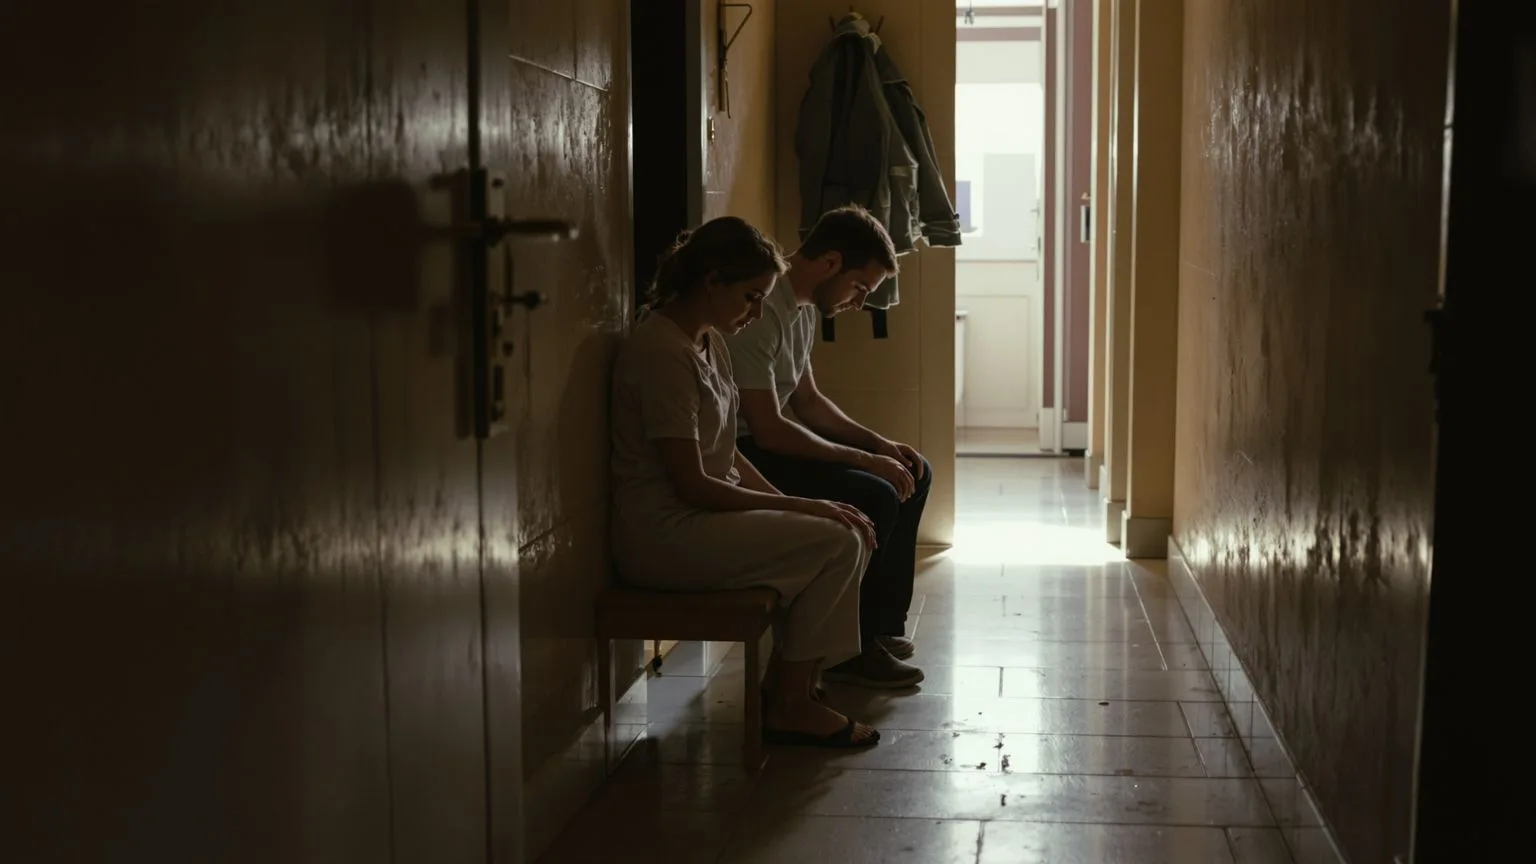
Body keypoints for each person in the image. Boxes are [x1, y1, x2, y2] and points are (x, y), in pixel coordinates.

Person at [610, 216, 882, 748]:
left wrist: (793, 503)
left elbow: (726, 450)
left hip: (704, 519)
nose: (757, 312)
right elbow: (692, 484)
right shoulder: (660, 352)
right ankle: (792, 701)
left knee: (847, 530)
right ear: (712, 281)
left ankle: (789, 686)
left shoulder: (707, 340)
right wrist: (809, 510)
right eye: (751, 297)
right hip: (664, 535)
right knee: (836, 539)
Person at [724, 205, 931, 689]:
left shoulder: (802, 310)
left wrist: (882, 446)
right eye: (859, 287)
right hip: (744, 455)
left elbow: (809, 402)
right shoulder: (762, 311)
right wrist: (864, 461)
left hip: (769, 442)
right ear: (831, 263)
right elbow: (769, 429)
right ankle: (848, 650)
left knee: (913, 472)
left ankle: (878, 627)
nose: (859, 303)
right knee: (877, 493)